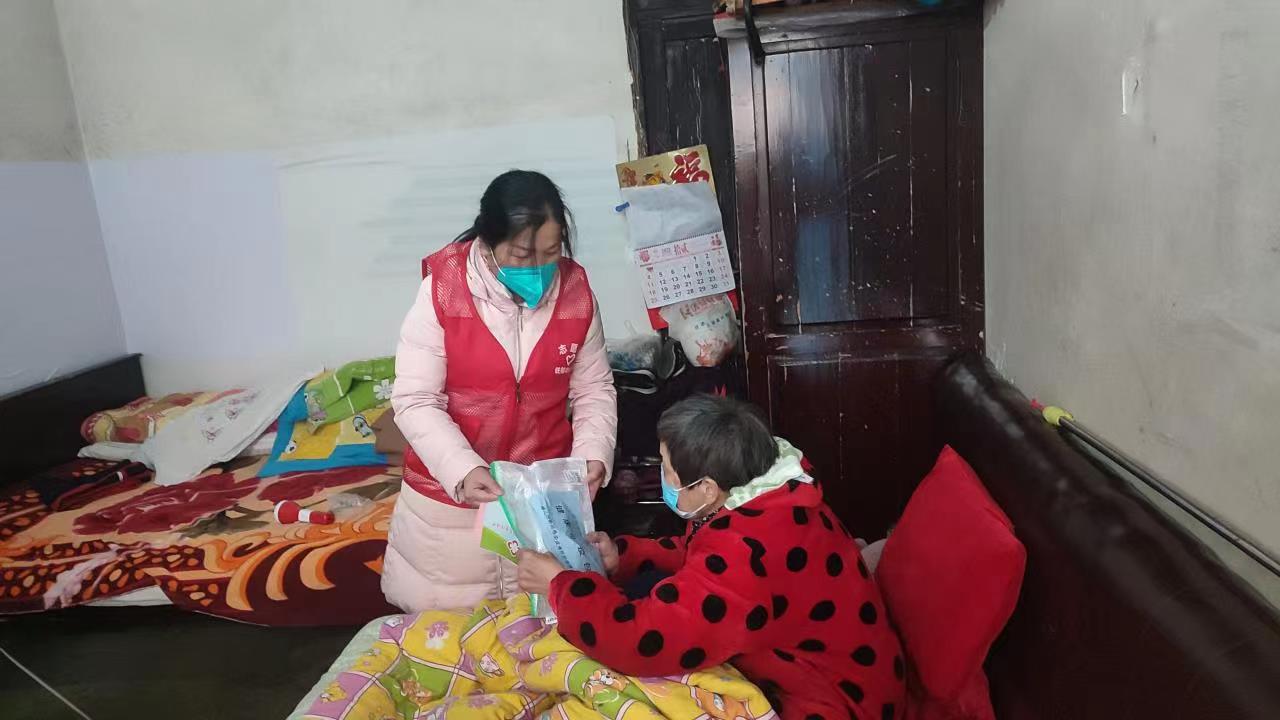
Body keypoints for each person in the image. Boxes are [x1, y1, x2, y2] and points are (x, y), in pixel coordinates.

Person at [517, 395, 905, 720]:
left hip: (832, 703)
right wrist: (624, 557)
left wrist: (560, 588)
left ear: (706, 488)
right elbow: (702, 552)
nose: (663, 477)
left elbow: (640, 641)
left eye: (667, 469)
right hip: (852, 673)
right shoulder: (773, 493)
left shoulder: (748, 550)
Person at [384, 170, 617, 612]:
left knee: (543, 629)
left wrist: (592, 456)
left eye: (551, 253)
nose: (537, 269)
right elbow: (415, 399)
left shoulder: (576, 294)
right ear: (488, 242)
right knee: (453, 632)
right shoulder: (442, 292)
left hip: (541, 498)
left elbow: (594, 388)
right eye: (522, 254)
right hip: (450, 506)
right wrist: (462, 469)